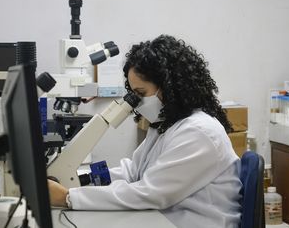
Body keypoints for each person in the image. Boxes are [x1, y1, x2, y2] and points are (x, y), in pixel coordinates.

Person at [48, 34, 242, 228]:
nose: (137, 102)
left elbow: (149, 193)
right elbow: (132, 171)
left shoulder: (198, 132)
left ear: (169, 87)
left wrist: (67, 197)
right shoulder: (167, 125)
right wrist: (80, 178)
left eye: (141, 93)